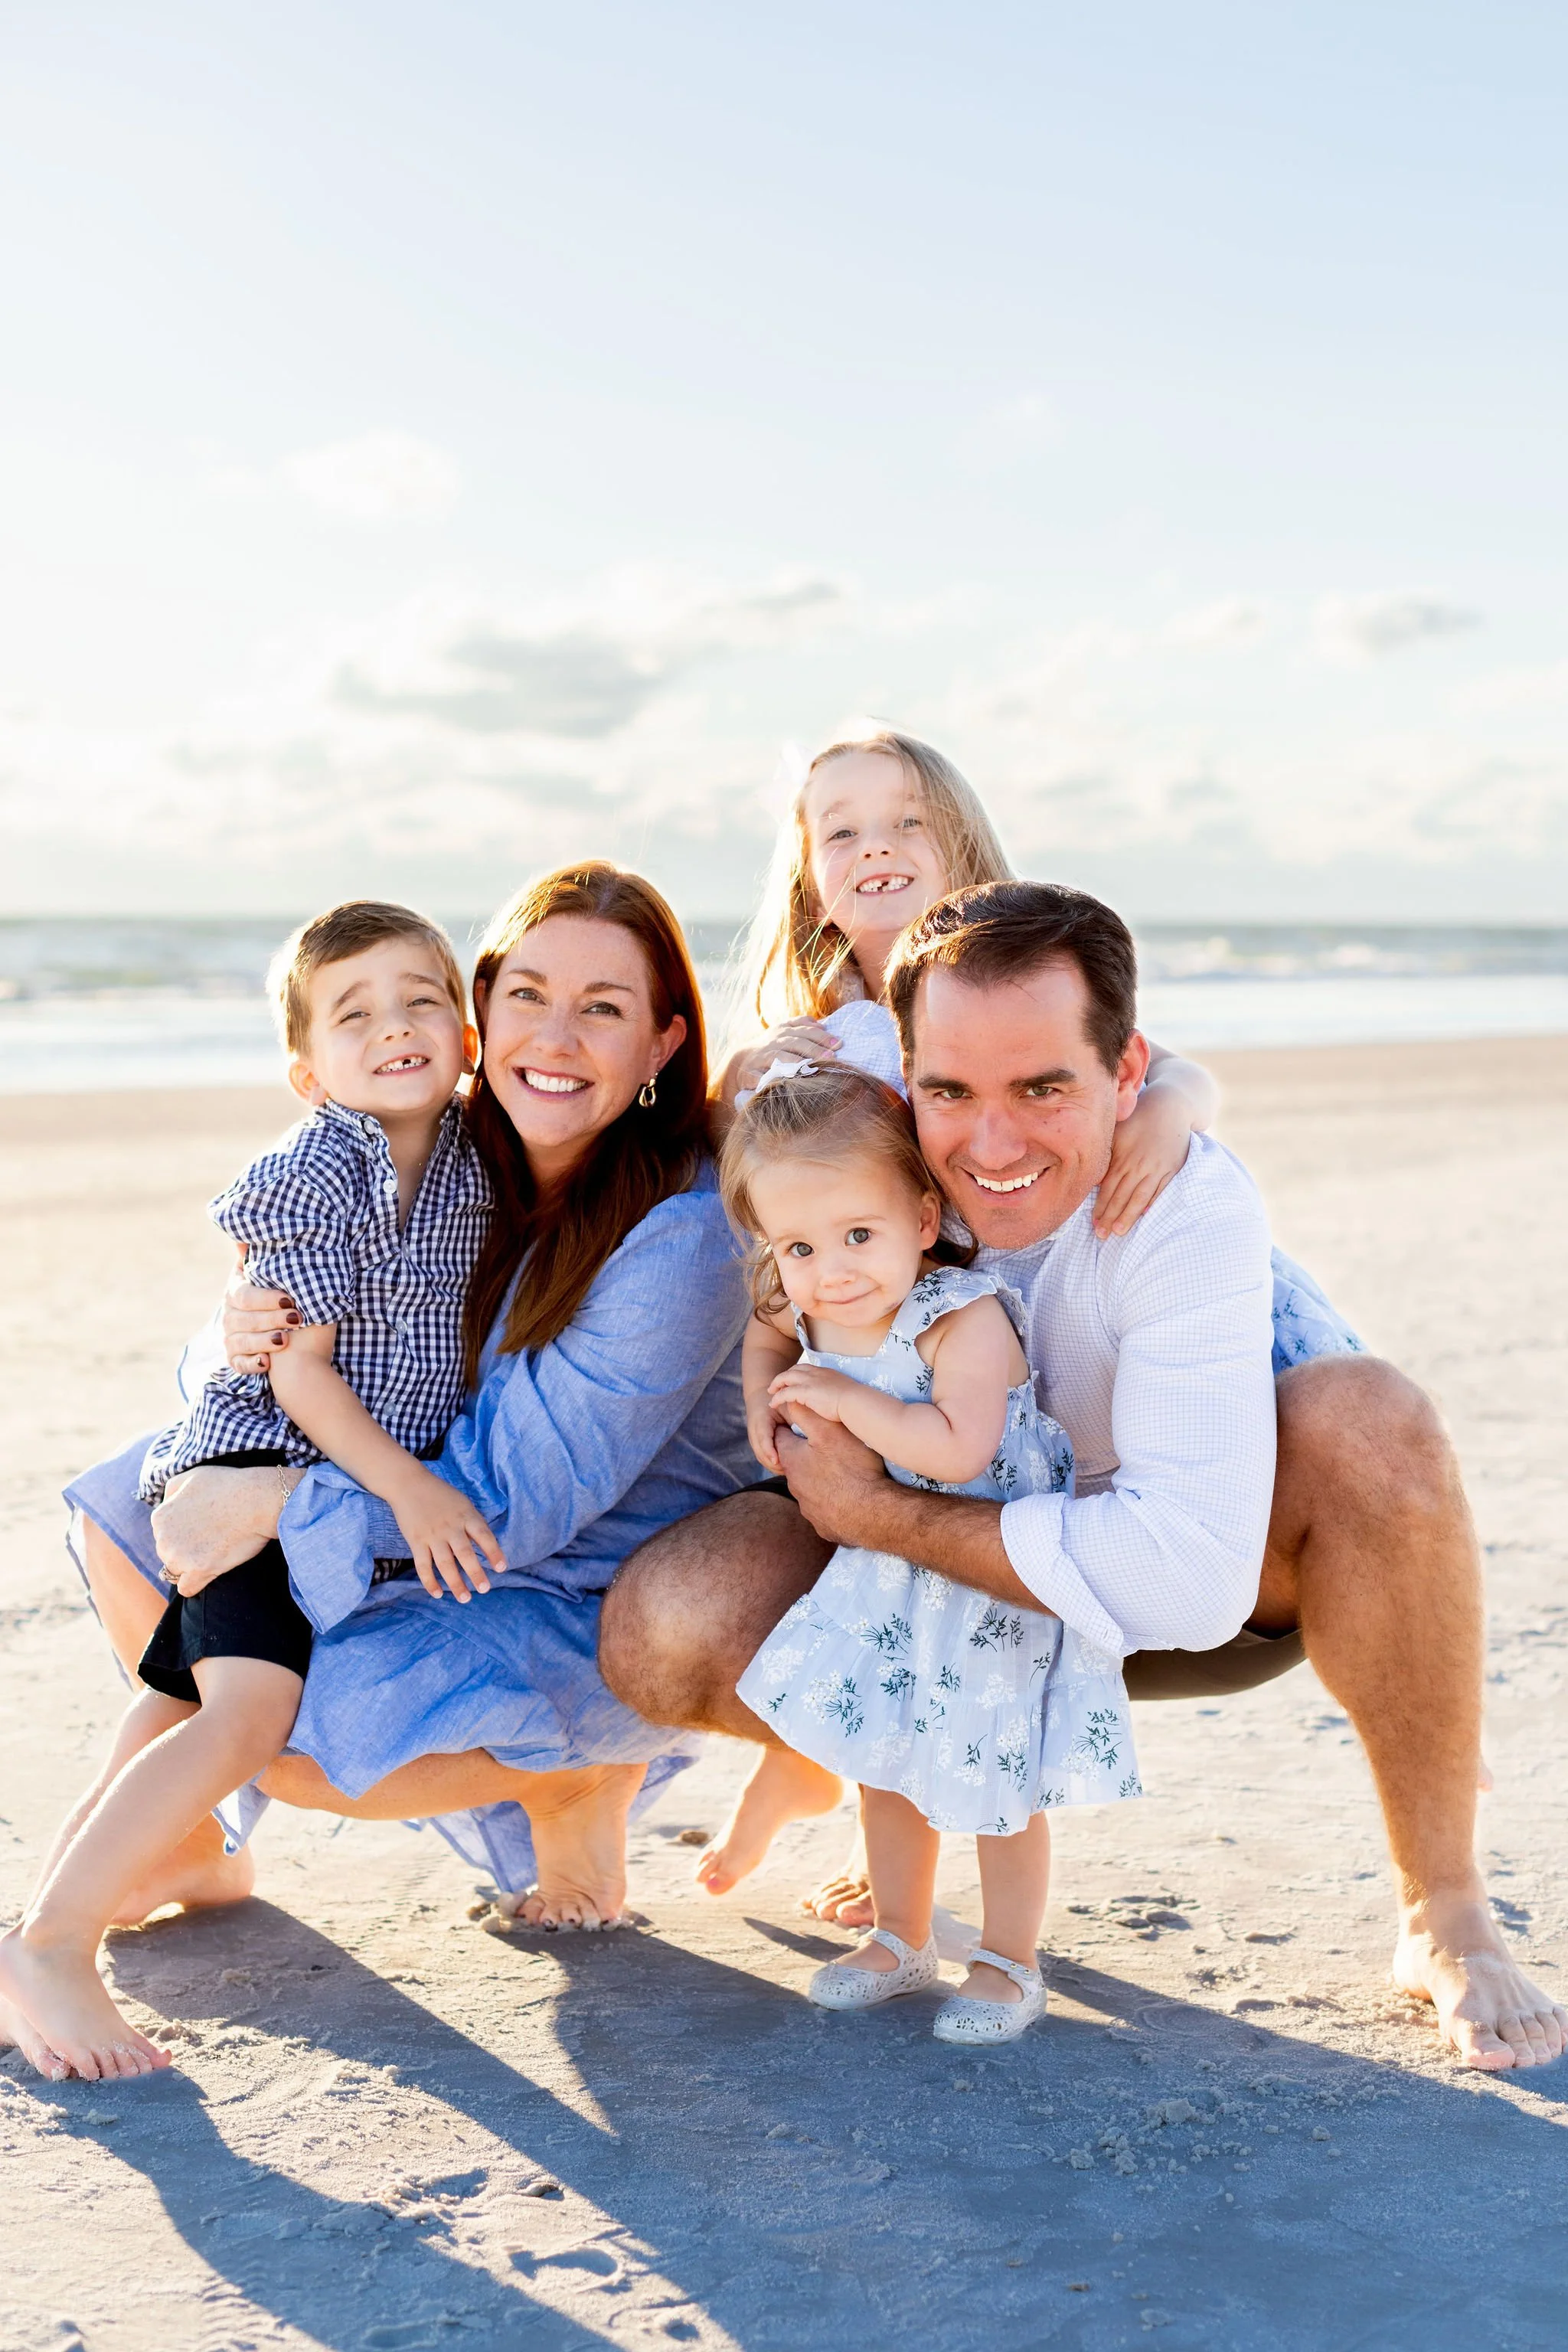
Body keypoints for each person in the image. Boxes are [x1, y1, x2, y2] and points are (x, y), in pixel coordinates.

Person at [601, 879, 1568, 2073]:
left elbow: (1189, 1588)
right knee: (665, 1625)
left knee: (1373, 1419)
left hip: (1209, 1583)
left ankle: (1446, 1908)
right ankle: (892, 1776)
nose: (992, 1145)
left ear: (1128, 1077)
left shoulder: (1180, 1201)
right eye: (950, 1091)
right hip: (935, 1586)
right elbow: (721, 1141)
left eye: (1044, 1088)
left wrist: (880, 1512)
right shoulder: (873, 1175)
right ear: (906, 1075)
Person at [2, 864, 756, 2088]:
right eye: (530, 996)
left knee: (272, 1717)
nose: (556, 1039)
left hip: (556, 1574)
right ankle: (142, 1872)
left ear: (667, 1039)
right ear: (488, 1018)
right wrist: (240, 1329)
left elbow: (514, 1497)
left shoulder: (679, 1231)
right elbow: (287, 1328)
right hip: (397, 1507)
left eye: (606, 1008)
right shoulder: (454, 1153)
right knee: (143, 1541)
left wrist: (282, 1498)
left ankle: (581, 1778)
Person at [693, 728, 1349, 1904]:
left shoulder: (1023, 972)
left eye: (907, 823)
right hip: (942, 1345)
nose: (875, 848)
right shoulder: (819, 1039)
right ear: (807, 872)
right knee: (903, 1595)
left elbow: (1163, 1069)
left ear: (963, 844)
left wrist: (1171, 1114)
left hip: (1081, 1323)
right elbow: (767, 1182)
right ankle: (864, 1805)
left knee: (1327, 1421)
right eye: (840, 831)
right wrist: (751, 1081)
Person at [0, 900, 495, 2083]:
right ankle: (56, 1943)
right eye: (355, 1013)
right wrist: (412, 1494)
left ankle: (104, 1891)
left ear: (469, 1036)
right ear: (306, 1069)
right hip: (256, 1469)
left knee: (176, 1702)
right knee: (246, 1714)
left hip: (322, 1478)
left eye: (424, 1000)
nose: (395, 1028)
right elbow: (305, 1376)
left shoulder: (477, 1156)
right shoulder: (313, 1176)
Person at [720, 1057, 1134, 2042]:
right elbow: (765, 1337)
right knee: (885, 1755)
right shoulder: (803, 1292)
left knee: (996, 1777)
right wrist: (760, 1414)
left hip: (986, 1573)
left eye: (858, 1235)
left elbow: (961, 1446)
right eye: (799, 1246)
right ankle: (901, 1935)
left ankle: (1008, 1960)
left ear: (917, 1217)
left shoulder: (960, 1318)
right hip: (885, 1572)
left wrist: (850, 1402)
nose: (832, 1270)